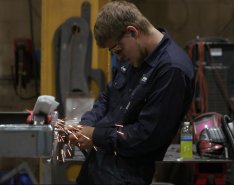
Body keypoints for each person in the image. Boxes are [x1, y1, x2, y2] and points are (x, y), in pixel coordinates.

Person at [66, 1, 195, 185]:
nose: (118, 58)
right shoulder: (133, 56)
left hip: (125, 176)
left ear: (133, 32)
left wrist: (94, 135)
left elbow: (146, 136)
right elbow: (107, 97)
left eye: (118, 50)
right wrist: (85, 125)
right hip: (95, 169)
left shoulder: (172, 70)